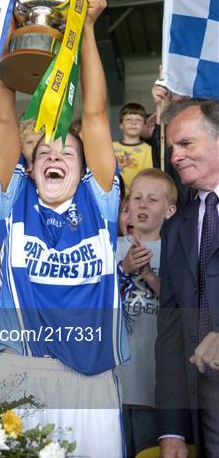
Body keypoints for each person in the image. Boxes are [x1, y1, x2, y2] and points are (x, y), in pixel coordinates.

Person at [0, 0, 129, 458]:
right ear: (29, 169)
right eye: (43, 152)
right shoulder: (15, 201)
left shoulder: (100, 200)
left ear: (84, 165)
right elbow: (5, 123)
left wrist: (86, 26)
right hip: (20, 372)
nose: (55, 156)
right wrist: (2, 30)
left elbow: (93, 114)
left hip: (92, 380)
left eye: (66, 151)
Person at [155, 99, 219, 457]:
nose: (175, 156)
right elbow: (170, 334)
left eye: (186, 144)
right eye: (171, 149)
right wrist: (171, 431)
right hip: (207, 409)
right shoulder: (176, 227)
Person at [115, 168, 177, 457]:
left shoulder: (178, 250)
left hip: (153, 384)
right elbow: (92, 304)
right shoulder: (110, 248)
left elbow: (181, 303)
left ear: (170, 210)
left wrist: (149, 276)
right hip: (113, 380)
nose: (141, 204)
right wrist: (124, 270)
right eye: (136, 197)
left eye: (152, 200)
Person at [146, 81, 196, 208]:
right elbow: (161, 162)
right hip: (182, 210)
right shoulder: (169, 137)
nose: (177, 156)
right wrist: (159, 106)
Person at [113, 103, 153, 194]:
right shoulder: (110, 147)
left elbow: (148, 178)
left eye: (138, 120)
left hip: (138, 197)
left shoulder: (149, 150)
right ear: (121, 125)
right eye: (128, 119)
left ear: (144, 125)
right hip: (113, 198)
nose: (133, 123)